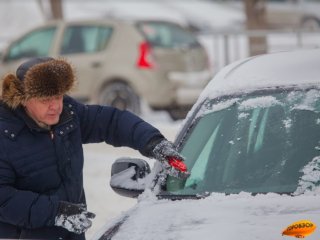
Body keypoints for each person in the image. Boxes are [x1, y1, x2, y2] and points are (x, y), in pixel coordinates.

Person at [0, 57, 185, 240]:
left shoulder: (68, 115)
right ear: (23, 99)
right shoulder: (5, 134)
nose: (55, 106)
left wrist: (153, 142)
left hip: (70, 232)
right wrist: (56, 213)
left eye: (58, 96)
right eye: (46, 99)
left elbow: (111, 122)